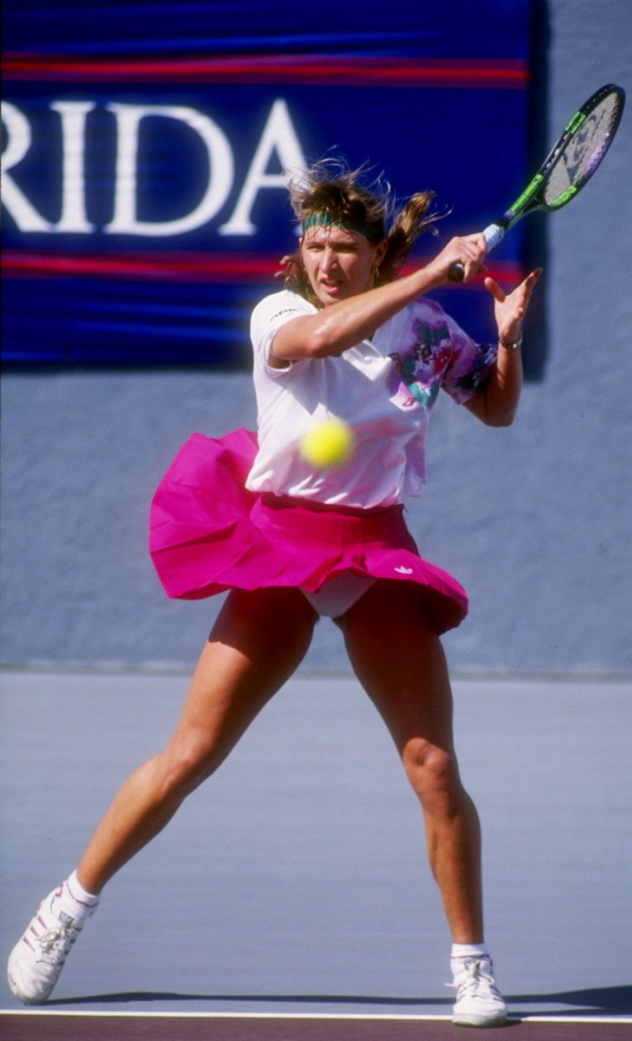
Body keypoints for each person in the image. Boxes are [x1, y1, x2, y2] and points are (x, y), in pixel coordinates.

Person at [8, 159, 541, 1028]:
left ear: (375, 254)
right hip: (280, 544)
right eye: (315, 245)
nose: (327, 260)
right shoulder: (281, 316)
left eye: (345, 247)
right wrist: (428, 273)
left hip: (373, 550)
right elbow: (325, 341)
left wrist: (506, 338)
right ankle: (66, 905)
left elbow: (496, 408)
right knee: (191, 754)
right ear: (301, 256)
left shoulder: (430, 329)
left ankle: (472, 968)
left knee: (435, 768)